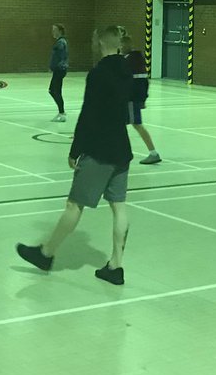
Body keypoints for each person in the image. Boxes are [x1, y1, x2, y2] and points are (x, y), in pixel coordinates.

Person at [17, 25, 132, 285]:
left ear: (101, 43)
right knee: (119, 207)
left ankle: (46, 254)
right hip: (122, 150)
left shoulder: (98, 74)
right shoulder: (127, 71)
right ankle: (116, 265)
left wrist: (75, 150)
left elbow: (88, 115)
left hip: (99, 151)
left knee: (74, 205)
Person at [120, 33, 161, 164]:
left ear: (127, 45)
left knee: (137, 124)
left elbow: (141, 81)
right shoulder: (128, 58)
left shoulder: (132, 60)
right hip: (127, 99)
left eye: (121, 45)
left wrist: (141, 99)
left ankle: (153, 153)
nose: (120, 47)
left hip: (131, 99)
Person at [48, 23, 69, 123]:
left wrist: (55, 66)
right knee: (55, 91)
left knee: (54, 90)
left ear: (60, 31)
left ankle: (62, 113)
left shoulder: (60, 43)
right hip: (58, 69)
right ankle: (61, 112)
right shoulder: (60, 42)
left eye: (54, 30)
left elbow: (60, 57)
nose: (53, 32)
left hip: (59, 69)